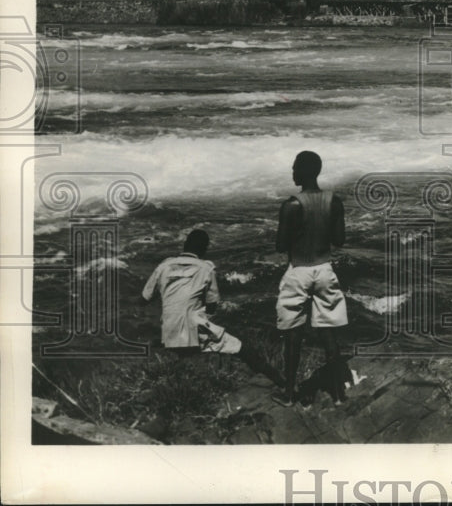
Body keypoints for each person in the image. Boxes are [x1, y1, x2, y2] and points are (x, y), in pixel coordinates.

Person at [142, 228, 282, 385]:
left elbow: (145, 297)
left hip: (168, 330)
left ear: (185, 245)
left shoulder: (164, 266)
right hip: (191, 331)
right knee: (243, 348)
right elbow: (212, 306)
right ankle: (281, 383)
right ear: (204, 249)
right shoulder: (206, 269)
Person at [272, 150, 350, 407]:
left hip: (299, 270)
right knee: (329, 334)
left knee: (293, 334)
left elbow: (281, 246)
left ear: (304, 171)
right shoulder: (334, 202)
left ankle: (289, 394)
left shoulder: (291, 205)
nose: (292, 172)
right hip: (325, 268)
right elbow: (339, 240)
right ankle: (339, 395)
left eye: (295, 168)